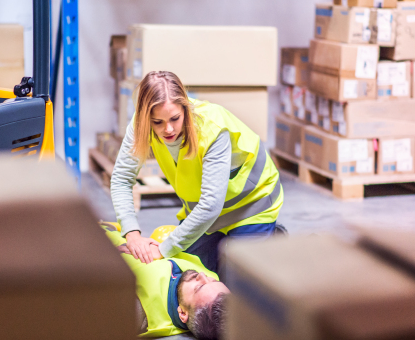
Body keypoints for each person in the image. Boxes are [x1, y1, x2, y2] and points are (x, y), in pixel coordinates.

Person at [111, 71, 285, 274]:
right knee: (191, 276)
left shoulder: (211, 127)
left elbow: (211, 204)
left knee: (241, 285)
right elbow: (122, 179)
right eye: (157, 122)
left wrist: (164, 248)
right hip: (203, 212)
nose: (168, 129)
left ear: (185, 108)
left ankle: (274, 243)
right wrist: (132, 233)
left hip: (252, 205)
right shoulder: (141, 125)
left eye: (175, 118)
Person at [102, 223, 229, 340]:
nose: (202, 276)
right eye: (212, 280)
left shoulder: (138, 312)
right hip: (127, 236)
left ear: (183, 313)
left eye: (199, 287)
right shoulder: (208, 282)